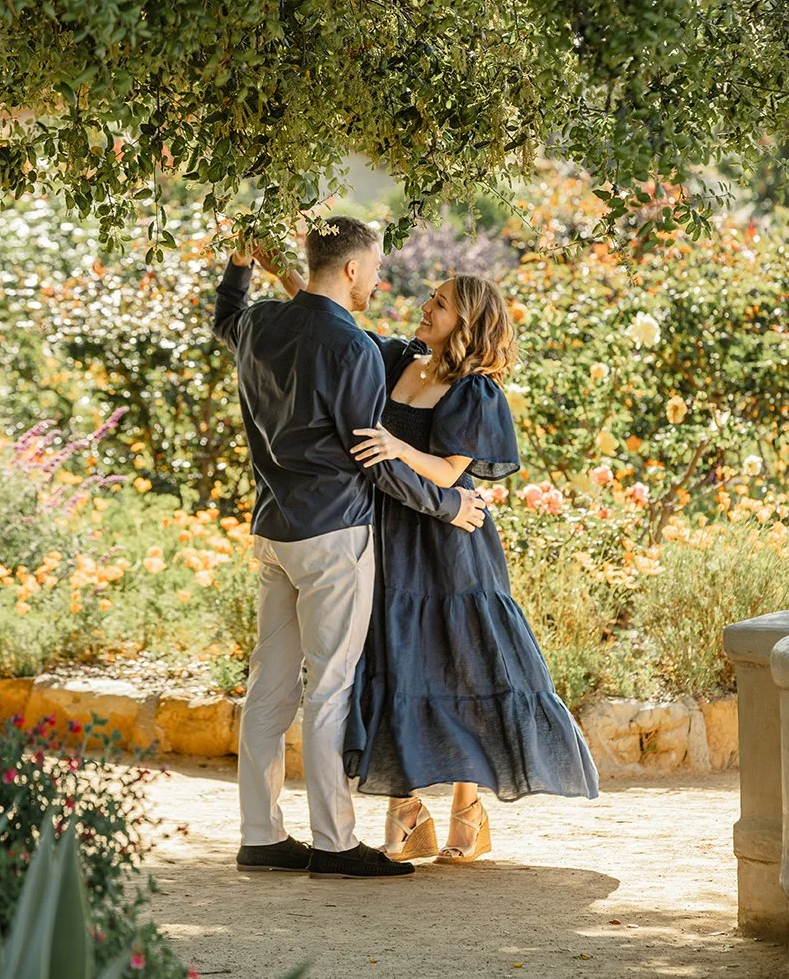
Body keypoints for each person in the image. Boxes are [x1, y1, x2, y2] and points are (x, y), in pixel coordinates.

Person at [254, 249, 599, 864]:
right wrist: (283, 267)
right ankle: (407, 810)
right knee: (395, 664)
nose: (425, 306)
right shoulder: (394, 358)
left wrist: (395, 446)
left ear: (466, 323)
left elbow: (447, 471)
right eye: (431, 298)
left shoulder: (476, 392)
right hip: (386, 534)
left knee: (462, 668)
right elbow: (331, 318)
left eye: (439, 303)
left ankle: (468, 807)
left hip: (446, 545)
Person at [213, 218, 488, 880]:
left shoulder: (260, 324)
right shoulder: (354, 349)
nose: (379, 280)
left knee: (269, 689)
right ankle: (335, 844)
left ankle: (261, 836)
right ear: (352, 270)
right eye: (376, 268)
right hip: (333, 536)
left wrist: (240, 263)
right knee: (330, 690)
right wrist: (449, 504)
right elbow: (374, 459)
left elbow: (226, 318)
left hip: (273, 530)